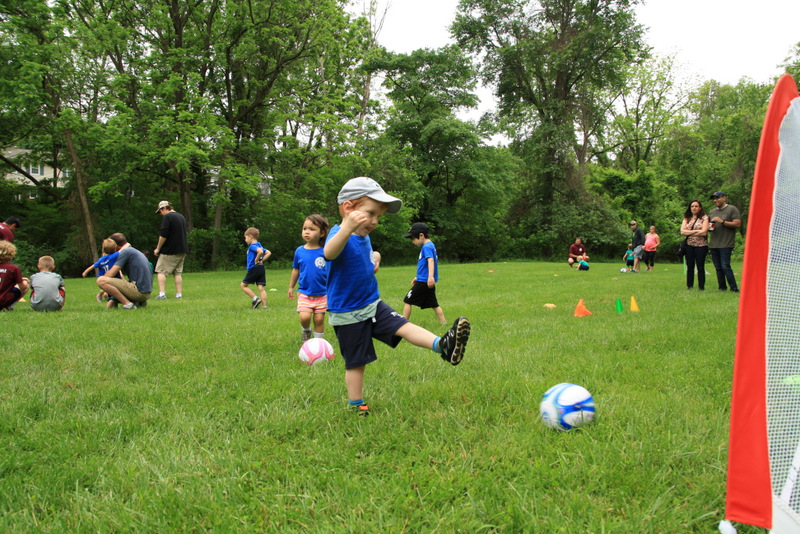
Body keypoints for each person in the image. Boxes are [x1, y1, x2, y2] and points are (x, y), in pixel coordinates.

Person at [324, 177, 471, 416]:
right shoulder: (339, 233)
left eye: (378, 217)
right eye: (370, 213)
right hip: (348, 313)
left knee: (403, 325)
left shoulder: (362, 235)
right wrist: (347, 228)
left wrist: (374, 259)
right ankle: (355, 403)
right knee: (356, 362)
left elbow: (357, 261)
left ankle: (444, 345)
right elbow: (330, 253)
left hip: (372, 302)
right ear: (348, 208)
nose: (375, 221)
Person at [288, 214, 329, 342]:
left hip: (322, 293)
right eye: (305, 228)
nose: (307, 232)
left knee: (319, 319)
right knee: (304, 317)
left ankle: (318, 342)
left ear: (321, 233)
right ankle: (306, 330)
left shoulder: (326, 251)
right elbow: (296, 269)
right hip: (305, 292)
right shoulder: (299, 251)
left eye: (312, 229)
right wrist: (291, 287)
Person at [402, 222, 447, 325]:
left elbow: (430, 261)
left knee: (407, 300)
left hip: (424, 281)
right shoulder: (431, 245)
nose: (413, 241)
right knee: (434, 304)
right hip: (424, 279)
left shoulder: (426, 247)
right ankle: (443, 323)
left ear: (421, 235)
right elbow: (425, 266)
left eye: (413, 238)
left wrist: (430, 277)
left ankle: (403, 324)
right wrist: (418, 277)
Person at [97, 233, 153, 309]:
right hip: (146, 292)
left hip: (139, 291)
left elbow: (110, 275)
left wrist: (104, 259)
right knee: (112, 288)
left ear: (115, 245)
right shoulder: (132, 251)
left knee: (101, 280)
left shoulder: (125, 252)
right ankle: (138, 302)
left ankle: (127, 304)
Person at [153, 201, 188, 299]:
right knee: (177, 273)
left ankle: (162, 294)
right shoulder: (181, 217)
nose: (161, 214)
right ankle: (179, 294)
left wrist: (158, 248)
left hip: (170, 250)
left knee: (161, 271)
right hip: (182, 248)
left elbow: (164, 234)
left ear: (164, 208)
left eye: (160, 212)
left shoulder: (168, 217)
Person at [708, 191, 741, 292]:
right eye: (714, 198)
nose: (715, 200)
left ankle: (734, 288)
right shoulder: (712, 212)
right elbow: (710, 227)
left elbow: (737, 224)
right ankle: (722, 288)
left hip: (726, 243)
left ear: (724, 198)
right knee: (718, 268)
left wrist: (722, 222)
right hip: (714, 243)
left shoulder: (732, 209)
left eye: (717, 198)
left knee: (725, 266)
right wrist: (709, 227)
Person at [82, 238, 123, 305]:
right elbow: (123, 250)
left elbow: (93, 266)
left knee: (109, 291)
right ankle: (109, 301)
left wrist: (85, 272)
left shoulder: (101, 259)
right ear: (115, 248)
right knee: (115, 292)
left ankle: (106, 298)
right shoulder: (115, 255)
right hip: (113, 279)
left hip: (103, 279)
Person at [681, 200, 709, 290]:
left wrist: (689, 232)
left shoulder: (704, 218)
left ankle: (701, 286)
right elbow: (682, 231)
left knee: (700, 266)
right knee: (690, 266)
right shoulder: (687, 218)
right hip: (689, 245)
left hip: (701, 245)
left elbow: (704, 232)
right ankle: (690, 286)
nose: (694, 208)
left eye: (696, 206)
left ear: (700, 208)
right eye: (692, 206)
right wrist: (697, 231)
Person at [241, 227, 270, 309]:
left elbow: (260, 252)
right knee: (261, 287)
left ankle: (255, 299)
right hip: (261, 267)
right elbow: (268, 252)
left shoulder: (252, 246)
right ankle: (264, 306)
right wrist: (261, 260)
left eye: (245, 237)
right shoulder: (259, 245)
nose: (245, 240)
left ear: (250, 236)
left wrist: (256, 260)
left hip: (254, 268)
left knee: (243, 285)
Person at [0, 241, 28, 310]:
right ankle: (8, 307)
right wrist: (23, 281)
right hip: (3, 300)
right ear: (11, 253)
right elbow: (22, 287)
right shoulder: (13, 268)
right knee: (25, 284)